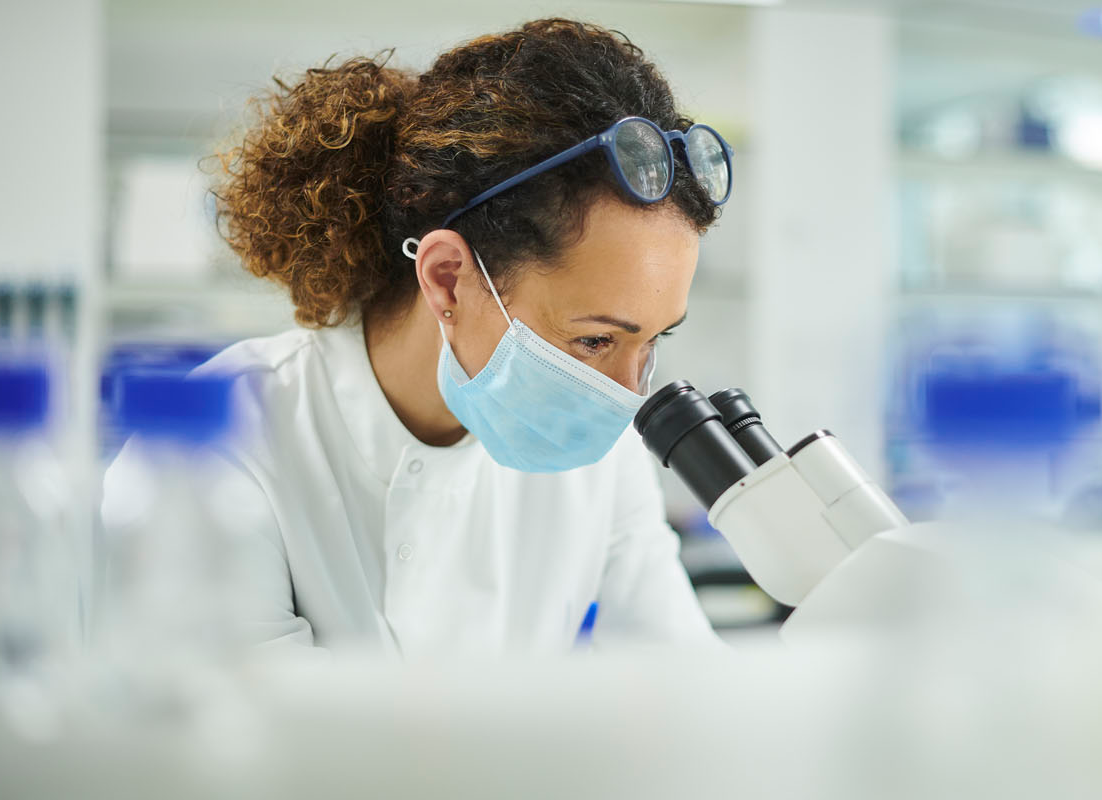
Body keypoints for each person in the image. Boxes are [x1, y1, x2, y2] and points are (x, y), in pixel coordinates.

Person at [99, 20, 736, 657]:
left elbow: (683, 684)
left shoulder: (599, 458)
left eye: (654, 340)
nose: (626, 396)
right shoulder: (222, 451)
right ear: (448, 279)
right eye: (596, 341)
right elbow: (245, 744)